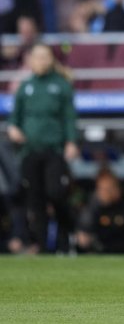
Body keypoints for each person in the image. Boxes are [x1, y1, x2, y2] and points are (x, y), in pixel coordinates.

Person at [6, 43, 79, 253]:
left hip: (54, 149)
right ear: (30, 60)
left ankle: (66, 239)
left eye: (45, 56)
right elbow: (14, 117)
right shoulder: (25, 86)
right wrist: (13, 129)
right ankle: (42, 246)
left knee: (56, 193)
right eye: (37, 57)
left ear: (51, 59)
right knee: (34, 199)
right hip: (29, 150)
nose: (41, 61)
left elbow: (69, 117)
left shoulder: (62, 85)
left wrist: (71, 141)